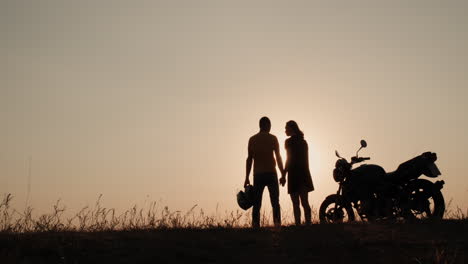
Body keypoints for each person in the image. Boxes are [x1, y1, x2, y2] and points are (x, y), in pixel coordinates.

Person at [245, 116, 284, 228]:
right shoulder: (273, 138)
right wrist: (282, 174)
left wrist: (246, 177)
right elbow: (278, 157)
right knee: (275, 201)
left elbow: (249, 159)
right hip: (271, 173)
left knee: (256, 203)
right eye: (270, 125)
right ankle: (277, 224)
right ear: (267, 125)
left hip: (258, 174)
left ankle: (255, 226)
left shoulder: (252, 139)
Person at [279, 120, 314, 225]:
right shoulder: (303, 142)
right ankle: (308, 224)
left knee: (296, 203)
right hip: (303, 174)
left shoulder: (288, 142)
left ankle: (298, 225)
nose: (285, 130)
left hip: (294, 175)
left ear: (291, 128)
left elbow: (288, 159)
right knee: (304, 202)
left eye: (286, 128)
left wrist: (284, 175)